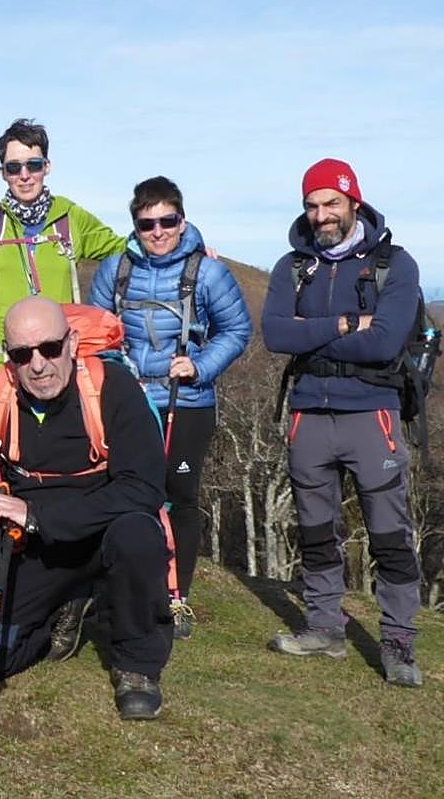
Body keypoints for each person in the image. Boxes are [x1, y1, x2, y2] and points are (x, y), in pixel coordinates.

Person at [0, 296, 172, 720]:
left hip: (107, 535)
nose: (38, 364)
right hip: (38, 547)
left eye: (50, 348)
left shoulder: (114, 388)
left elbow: (144, 488)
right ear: (9, 358)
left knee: (137, 535)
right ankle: (66, 607)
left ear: (71, 343)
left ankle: (136, 664)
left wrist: (37, 516)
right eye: (22, 354)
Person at [262, 158, 423, 687]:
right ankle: (323, 626)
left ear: (355, 201)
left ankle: (399, 642)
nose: (321, 215)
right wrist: (349, 321)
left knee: (389, 535)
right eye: (312, 204)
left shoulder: (394, 264)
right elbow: (276, 335)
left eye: (331, 203)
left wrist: (313, 329)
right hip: (308, 411)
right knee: (314, 531)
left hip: (371, 412)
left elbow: (385, 343)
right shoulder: (293, 266)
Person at [89, 176, 251, 639]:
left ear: (182, 220)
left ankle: (176, 596)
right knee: (121, 493)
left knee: (179, 496)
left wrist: (198, 367)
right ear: (135, 225)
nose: (158, 231)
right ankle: (122, 587)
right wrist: (113, 371)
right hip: (127, 401)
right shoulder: (114, 269)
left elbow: (236, 332)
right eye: (147, 223)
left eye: (167, 220)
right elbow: (97, 332)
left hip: (188, 401)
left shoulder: (209, 273)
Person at [0, 118, 125, 386]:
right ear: (2, 173)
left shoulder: (71, 217)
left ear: (47, 167)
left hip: (57, 360)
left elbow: (129, 249)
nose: (24, 175)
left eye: (33, 165)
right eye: (14, 167)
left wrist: (187, 245)